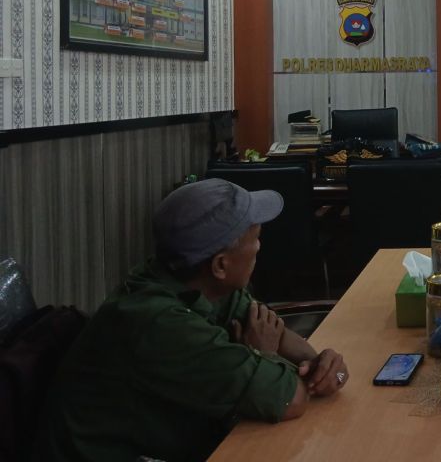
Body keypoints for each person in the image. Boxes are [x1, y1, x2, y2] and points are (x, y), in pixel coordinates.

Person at [39, 178, 349, 461]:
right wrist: (261, 355)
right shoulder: (160, 324)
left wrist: (320, 364)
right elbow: (290, 399)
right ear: (220, 265)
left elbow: (275, 333)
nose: (259, 247)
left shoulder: (195, 280)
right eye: (255, 239)